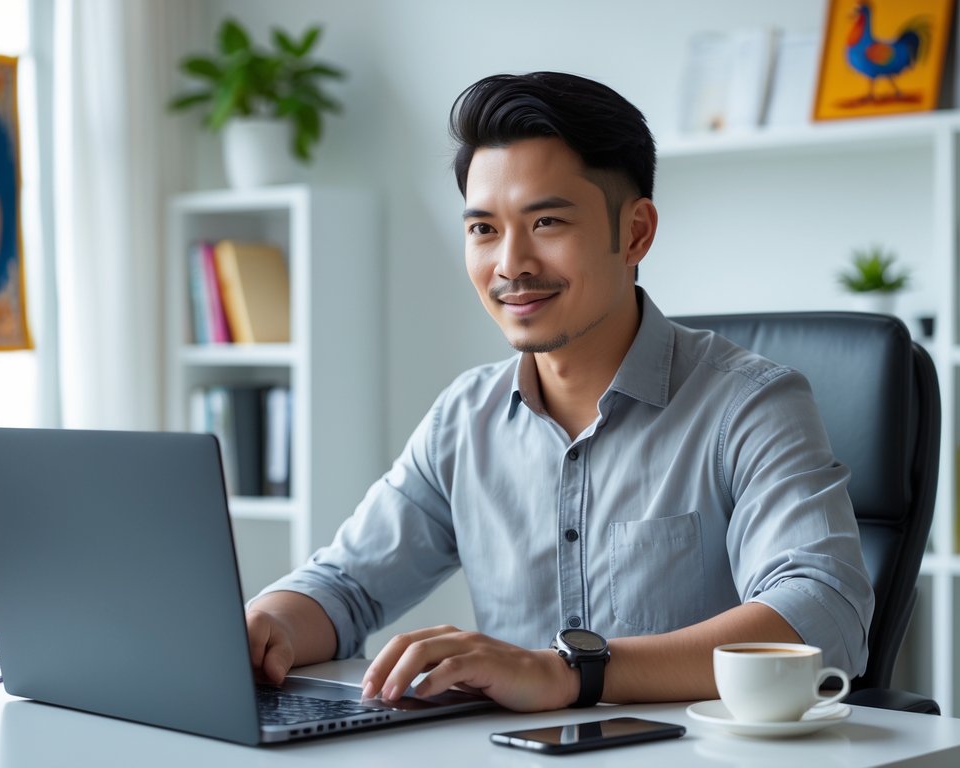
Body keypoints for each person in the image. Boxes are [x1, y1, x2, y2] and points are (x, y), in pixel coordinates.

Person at [245, 71, 874, 712]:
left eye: (545, 221)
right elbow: (347, 586)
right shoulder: (465, 418)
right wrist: (268, 623)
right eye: (483, 229)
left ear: (634, 234)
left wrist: (570, 672)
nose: (510, 264)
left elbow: (823, 616)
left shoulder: (750, 405)